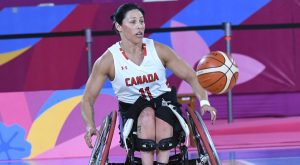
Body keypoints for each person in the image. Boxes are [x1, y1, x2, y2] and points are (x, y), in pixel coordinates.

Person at [81, 3, 217, 165]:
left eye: (142, 21)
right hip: (132, 110)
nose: (139, 26)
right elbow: (87, 99)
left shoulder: (158, 50)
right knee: (146, 115)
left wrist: (204, 102)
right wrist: (90, 126)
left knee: (163, 115)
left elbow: (191, 76)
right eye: (133, 22)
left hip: (164, 103)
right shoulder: (108, 60)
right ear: (119, 26)